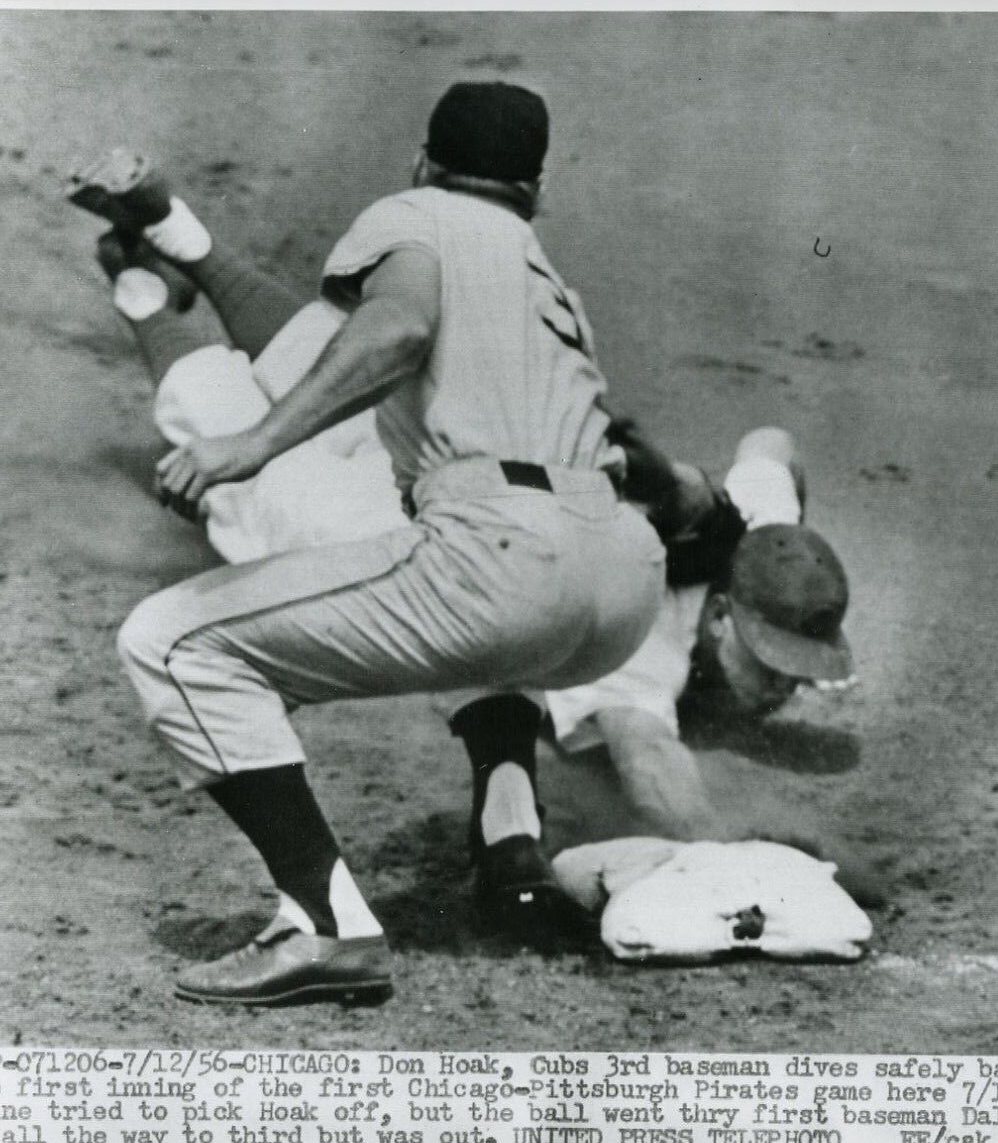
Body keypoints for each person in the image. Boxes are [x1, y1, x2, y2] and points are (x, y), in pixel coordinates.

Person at [73, 82, 669, 1007]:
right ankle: (507, 826)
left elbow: (390, 328)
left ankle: (324, 926)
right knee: (469, 602)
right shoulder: (544, 278)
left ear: (424, 164)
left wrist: (252, 445)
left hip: (500, 560)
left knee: (169, 641)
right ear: (536, 191)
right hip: (621, 585)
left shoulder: (417, 213)